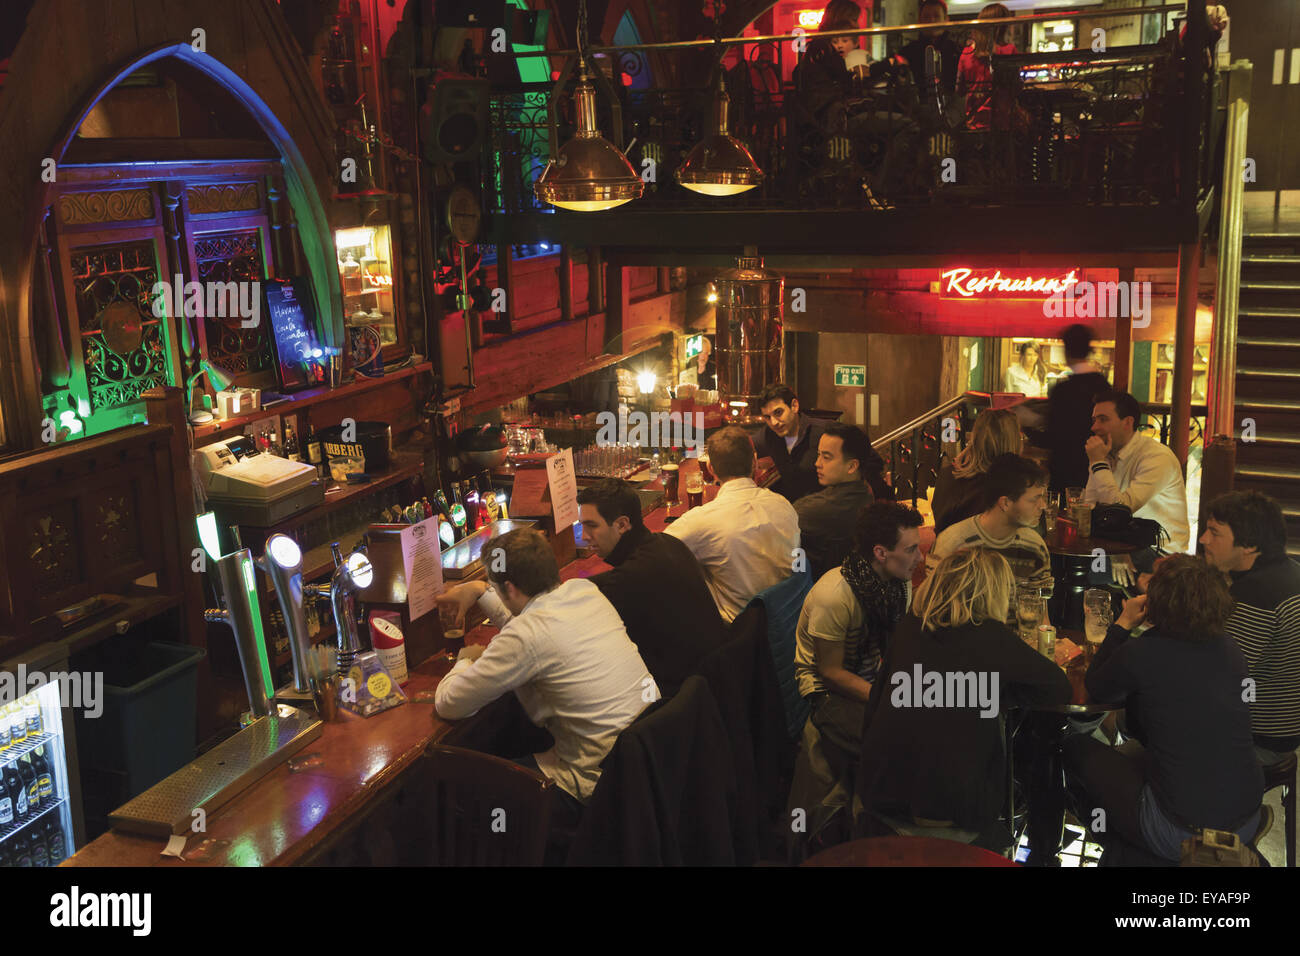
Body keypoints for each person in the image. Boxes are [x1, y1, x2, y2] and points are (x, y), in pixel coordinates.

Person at [433, 529, 659, 826]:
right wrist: (479, 590)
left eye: (496, 586)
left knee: (453, 793)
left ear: (510, 588)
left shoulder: (525, 636)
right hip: (643, 762)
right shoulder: (583, 590)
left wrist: (463, 662)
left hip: (593, 786)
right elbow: (530, 619)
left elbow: (449, 703)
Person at [857, 548, 1071, 846]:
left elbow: (876, 704)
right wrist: (1000, 692)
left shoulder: (909, 628)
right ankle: (1042, 845)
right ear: (993, 591)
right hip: (960, 815)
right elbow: (1059, 688)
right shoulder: (993, 637)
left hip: (880, 800)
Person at [1064, 556, 1263, 864]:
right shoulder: (1230, 649)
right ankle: (1130, 844)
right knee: (1140, 754)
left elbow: (1097, 688)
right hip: (1247, 820)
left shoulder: (1143, 652)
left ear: (1157, 602)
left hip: (1180, 831)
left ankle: (1123, 847)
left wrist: (1123, 623)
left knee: (1073, 747)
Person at [576, 478, 726, 695]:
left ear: (622, 524)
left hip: (680, 699)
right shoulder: (668, 543)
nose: (584, 536)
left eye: (591, 526)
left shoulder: (628, 581)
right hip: (714, 681)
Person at [794, 501, 922, 724]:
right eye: (911, 549)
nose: (920, 557)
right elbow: (830, 672)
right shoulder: (835, 596)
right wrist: (889, 699)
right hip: (823, 690)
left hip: (872, 671)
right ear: (881, 553)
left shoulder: (899, 583)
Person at [1200, 491, 1300, 768]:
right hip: (1284, 733)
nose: (1203, 540)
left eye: (1214, 533)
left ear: (1249, 545)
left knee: (1143, 710)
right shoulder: (1291, 572)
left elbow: (1218, 675)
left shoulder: (1257, 594)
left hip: (1255, 741)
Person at [665, 426, 801, 624]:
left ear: (710, 468)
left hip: (738, 635)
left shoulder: (701, 521)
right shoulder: (784, 504)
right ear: (754, 461)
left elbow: (654, 555)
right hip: (789, 622)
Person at [921, 453, 1054, 612]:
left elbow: (1040, 612)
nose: (1043, 505)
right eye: (1035, 499)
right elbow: (933, 610)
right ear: (1005, 502)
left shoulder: (1035, 546)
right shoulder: (952, 543)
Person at [1083, 389, 1190, 554]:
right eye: (1094, 420)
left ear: (1127, 422)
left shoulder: (1156, 457)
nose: (1094, 427)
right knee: (1069, 564)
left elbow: (1118, 511)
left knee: (1094, 571)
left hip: (1159, 553)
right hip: (1120, 543)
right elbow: (1089, 504)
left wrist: (1098, 462)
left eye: (1103, 420)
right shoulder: (1105, 453)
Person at [752, 382, 890, 502]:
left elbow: (872, 461)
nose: (774, 422)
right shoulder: (766, 437)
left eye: (778, 413)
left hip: (828, 516)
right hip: (790, 519)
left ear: (794, 406)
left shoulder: (825, 431)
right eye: (767, 417)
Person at [794, 421, 878, 581]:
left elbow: (789, 517)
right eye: (818, 455)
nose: (817, 463)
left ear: (852, 466)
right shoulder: (864, 488)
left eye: (826, 457)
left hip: (819, 586)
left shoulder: (821, 509)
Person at [1035, 324, 1110, 493]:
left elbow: (1051, 437)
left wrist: (1025, 422)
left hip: (1064, 471)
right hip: (1096, 468)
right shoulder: (1103, 386)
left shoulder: (1063, 390)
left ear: (1066, 351)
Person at [930, 407, 1022, 534]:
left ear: (975, 437)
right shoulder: (1013, 486)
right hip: (984, 553)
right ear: (1015, 442)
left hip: (944, 549)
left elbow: (939, 523)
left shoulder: (949, 474)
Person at [956, 3, 1017, 127]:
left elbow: (960, 90)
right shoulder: (1009, 51)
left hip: (973, 119)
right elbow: (1015, 87)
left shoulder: (967, 53)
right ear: (1003, 27)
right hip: (1002, 119)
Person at [897, 0, 961, 96]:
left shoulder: (958, 51)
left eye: (936, 16)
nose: (931, 21)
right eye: (926, 17)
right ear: (919, 21)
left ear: (946, 20)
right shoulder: (908, 52)